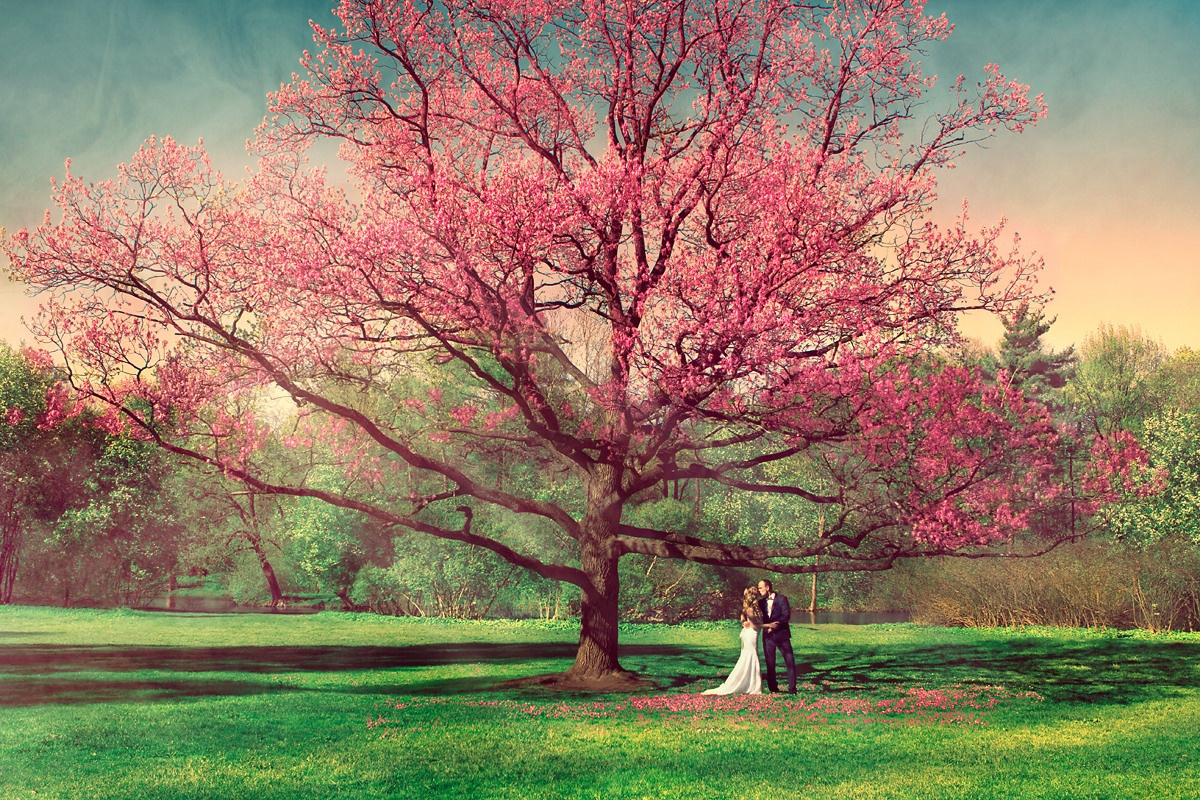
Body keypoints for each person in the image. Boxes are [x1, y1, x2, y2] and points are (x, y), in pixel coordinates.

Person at [701, 587, 763, 695]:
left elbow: (743, 616)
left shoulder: (751, 607)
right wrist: (769, 625)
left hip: (753, 633)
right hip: (750, 634)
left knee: (749, 657)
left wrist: (743, 621)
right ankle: (752, 686)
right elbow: (754, 624)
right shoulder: (750, 609)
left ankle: (750, 684)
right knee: (750, 656)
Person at [757, 578, 796, 693]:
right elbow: (756, 617)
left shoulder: (782, 599)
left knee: (790, 662)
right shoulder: (760, 603)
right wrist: (745, 620)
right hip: (768, 638)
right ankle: (773, 688)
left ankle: (792, 689)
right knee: (770, 663)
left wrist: (775, 626)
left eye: (760, 588)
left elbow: (786, 615)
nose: (759, 590)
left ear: (767, 588)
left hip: (782, 636)